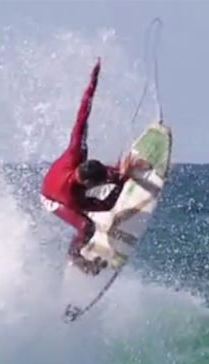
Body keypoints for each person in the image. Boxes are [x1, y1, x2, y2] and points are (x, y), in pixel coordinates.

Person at [41, 59, 142, 275]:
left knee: (114, 174)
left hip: (64, 176)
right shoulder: (73, 198)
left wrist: (93, 80)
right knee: (86, 227)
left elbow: (82, 115)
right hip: (51, 197)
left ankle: (122, 170)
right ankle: (75, 257)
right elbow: (106, 205)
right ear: (88, 183)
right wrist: (122, 180)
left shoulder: (76, 151)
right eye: (101, 181)